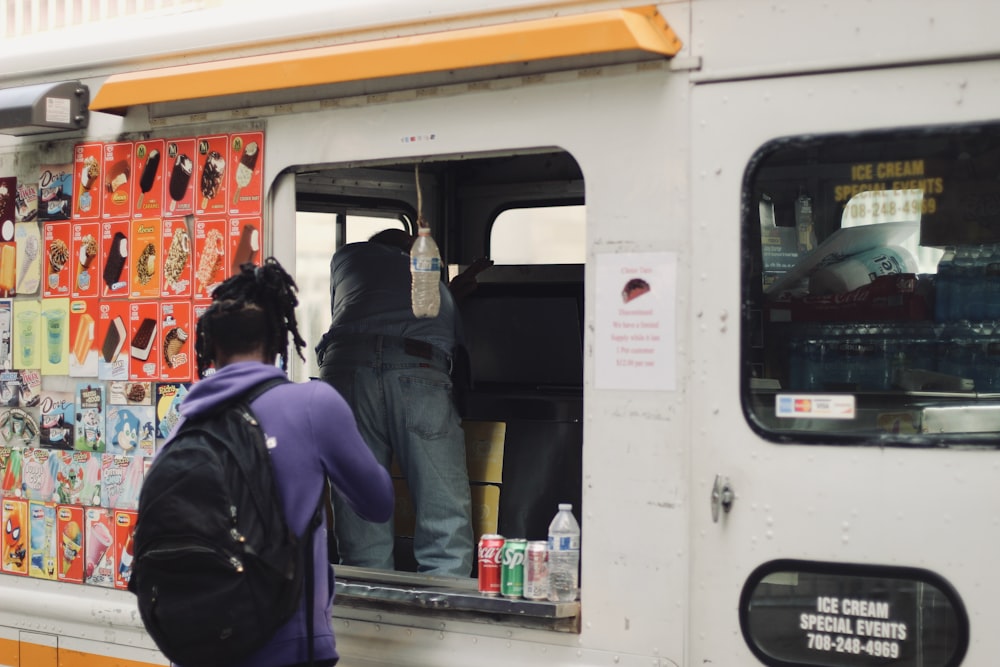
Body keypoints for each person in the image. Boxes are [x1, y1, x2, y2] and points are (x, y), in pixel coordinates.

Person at [179, 257, 394, 667]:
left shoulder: (187, 423)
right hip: (286, 650)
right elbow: (378, 503)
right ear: (279, 342)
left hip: (196, 648)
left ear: (211, 348)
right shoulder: (314, 406)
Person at [316, 228, 491, 577]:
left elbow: (384, 305)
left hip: (345, 367)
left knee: (360, 510)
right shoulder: (421, 273)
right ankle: (444, 610)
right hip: (418, 366)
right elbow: (424, 317)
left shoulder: (346, 259)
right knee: (443, 512)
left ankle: (368, 610)